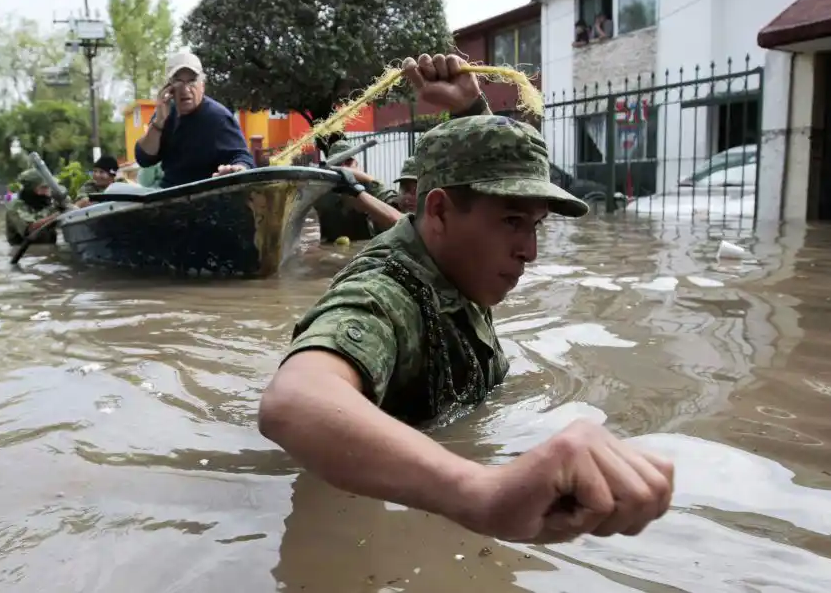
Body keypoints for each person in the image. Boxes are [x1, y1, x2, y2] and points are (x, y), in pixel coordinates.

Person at [259, 53, 673, 545]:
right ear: (437, 212)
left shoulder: (458, 261)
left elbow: (475, 196)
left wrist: (471, 107)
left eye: (535, 225)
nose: (530, 252)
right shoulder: (384, 295)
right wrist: (481, 491)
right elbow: (293, 401)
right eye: (513, 223)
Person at [134, 51, 255, 188]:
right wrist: (159, 122)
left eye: (192, 81)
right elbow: (144, 158)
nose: (185, 89)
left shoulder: (217, 117)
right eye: (178, 82)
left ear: (202, 85)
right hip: (167, 194)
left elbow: (243, 158)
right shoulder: (166, 112)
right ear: (168, 87)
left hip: (203, 198)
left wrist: (237, 169)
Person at [313, 138, 404, 243]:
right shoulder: (323, 191)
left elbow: (396, 212)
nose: (344, 168)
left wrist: (367, 182)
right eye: (338, 164)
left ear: (356, 164)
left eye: (348, 162)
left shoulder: (370, 186)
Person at [5, 169, 71, 245]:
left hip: (48, 249)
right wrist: (57, 215)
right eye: (44, 187)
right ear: (31, 189)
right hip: (27, 253)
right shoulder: (15, 207)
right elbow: (30, 230)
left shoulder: (45, 203)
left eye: (48, 187)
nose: (48, 191)